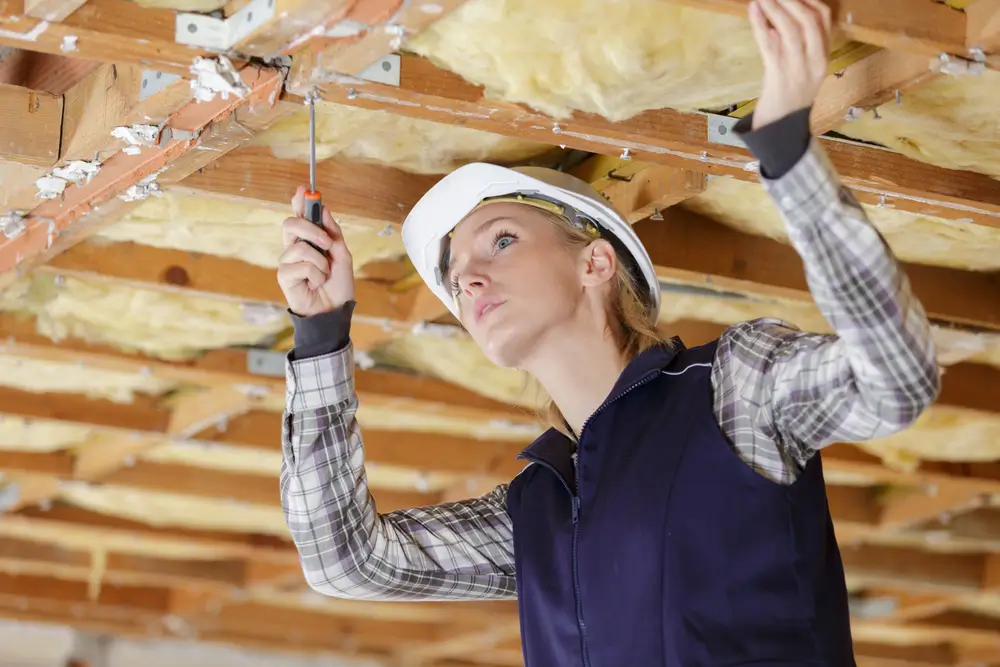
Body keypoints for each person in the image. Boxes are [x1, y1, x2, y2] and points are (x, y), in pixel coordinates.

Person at [275, 0, 940, 664]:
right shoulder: (537, 507)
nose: (469, 279)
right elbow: (345, 559)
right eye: (455, 277)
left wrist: (788, 154)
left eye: (499, 240)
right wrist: (321, 334)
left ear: (596, 261)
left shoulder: (732, 390)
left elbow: (896, 378)